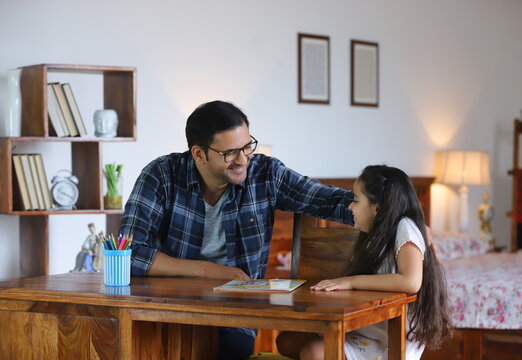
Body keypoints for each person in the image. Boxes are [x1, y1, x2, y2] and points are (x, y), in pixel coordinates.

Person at [119, 100, 354, 360]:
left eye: (247, 147)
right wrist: (212, 271)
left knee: (230, 351)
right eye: (230, 153)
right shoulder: (161, 174)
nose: (243, 160)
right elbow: (129, 253)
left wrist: (394, 210)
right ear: (199, 154)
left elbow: (331, 201)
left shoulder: (266, 174)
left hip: (235, 317)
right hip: (168, 311)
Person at [276, 165, 452, 360]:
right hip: (368, 329)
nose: (350, 206)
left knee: (314, 352)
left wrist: (350, 281)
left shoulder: (405, 227)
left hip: (389, 340)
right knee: (285, 341)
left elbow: (411, 282)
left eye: (356, 200)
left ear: (377, 208)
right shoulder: (375, 236)